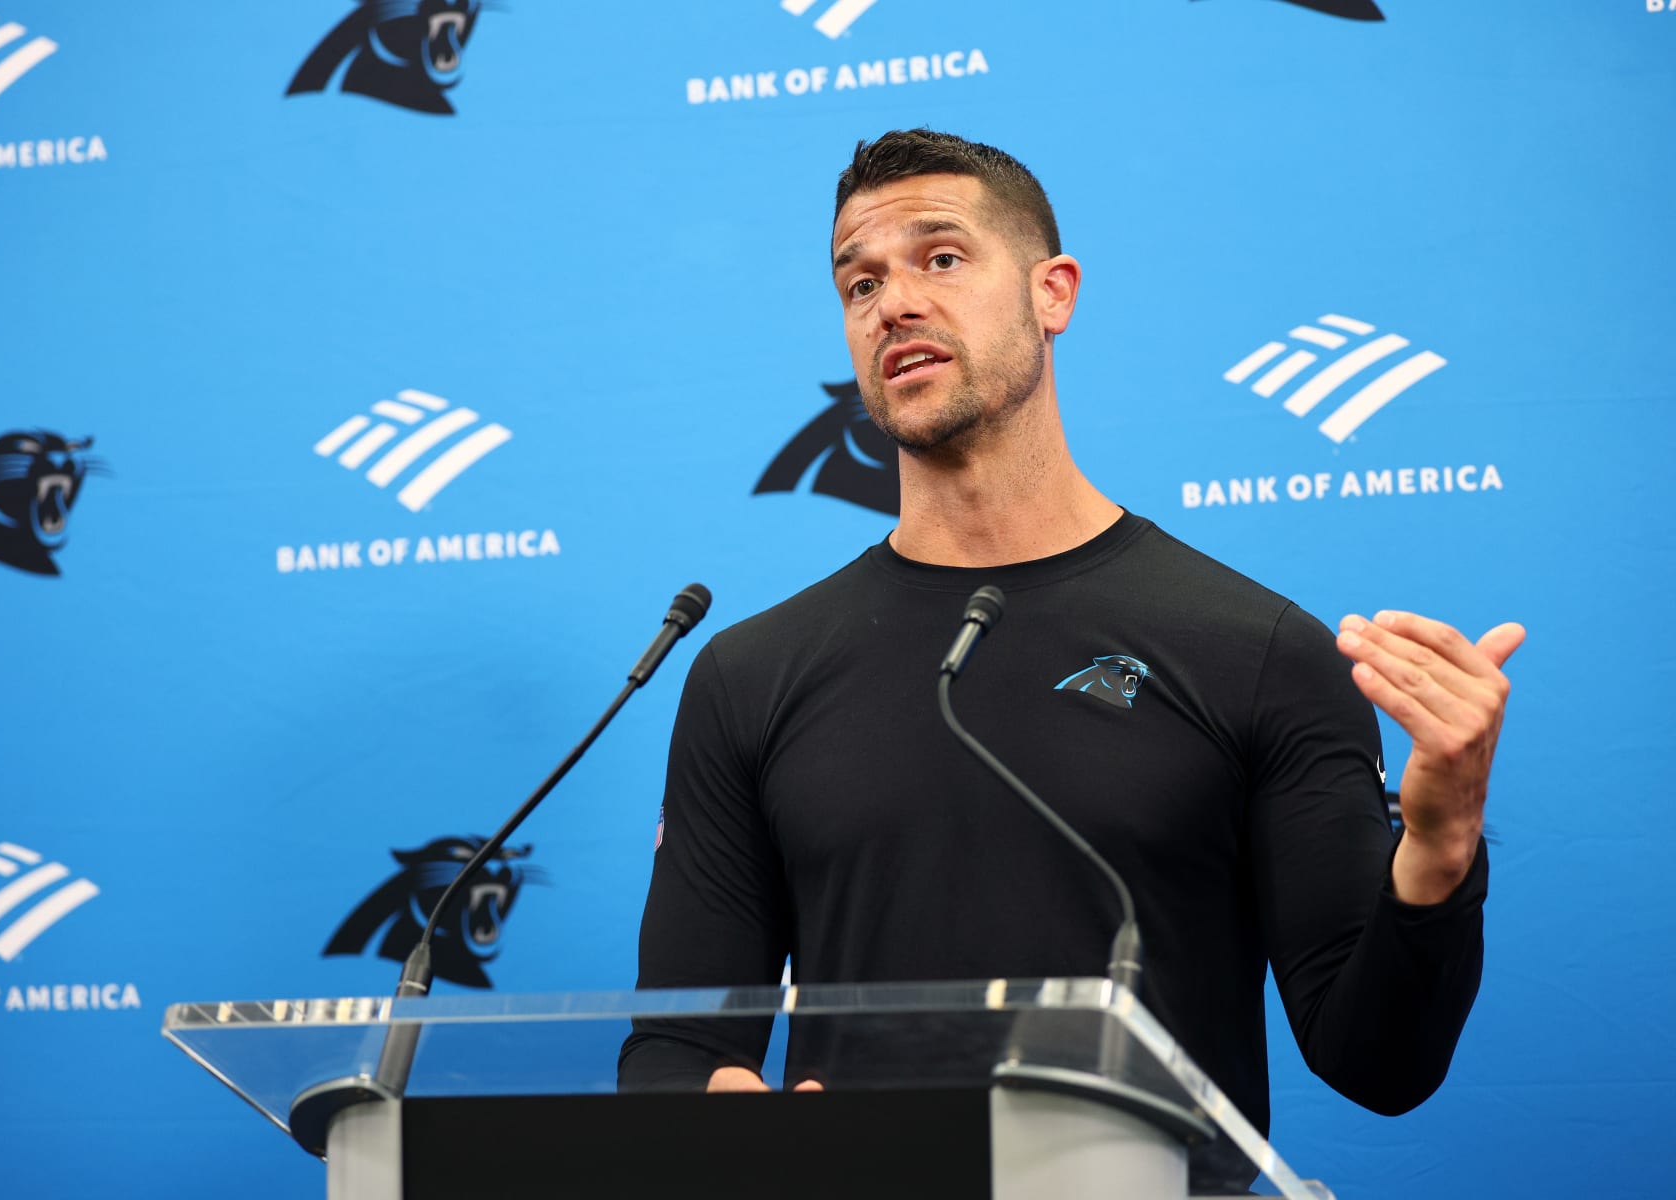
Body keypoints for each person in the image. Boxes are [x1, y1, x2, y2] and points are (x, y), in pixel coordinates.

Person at [617, 129, 1524, 1191]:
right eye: (859, 282)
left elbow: (1379, 1064)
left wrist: (1442, 843)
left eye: (940, 259)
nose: (894, 303)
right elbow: (676, 1053)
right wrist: (735, 1124)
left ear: (1055, 293)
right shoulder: (748, 674)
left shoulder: (1257, 650)